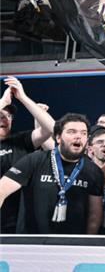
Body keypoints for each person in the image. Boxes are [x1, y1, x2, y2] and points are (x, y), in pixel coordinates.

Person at [0, 113, 104, 234]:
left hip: (73, 242)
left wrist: (87, 242)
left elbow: (94, 216)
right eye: (71, 132)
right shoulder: (34, 160)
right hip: (31, 241)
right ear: (58, 137)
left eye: (83, 133)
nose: (78, 136)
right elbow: (2, 190)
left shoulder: (93, 171)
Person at [0, 77, 57, 233]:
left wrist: (24, 98)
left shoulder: (19, 141)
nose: (5, 119)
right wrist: (3, 101)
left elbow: (51, 129)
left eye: (8, 116)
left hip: (16, 224)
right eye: (0, 115)